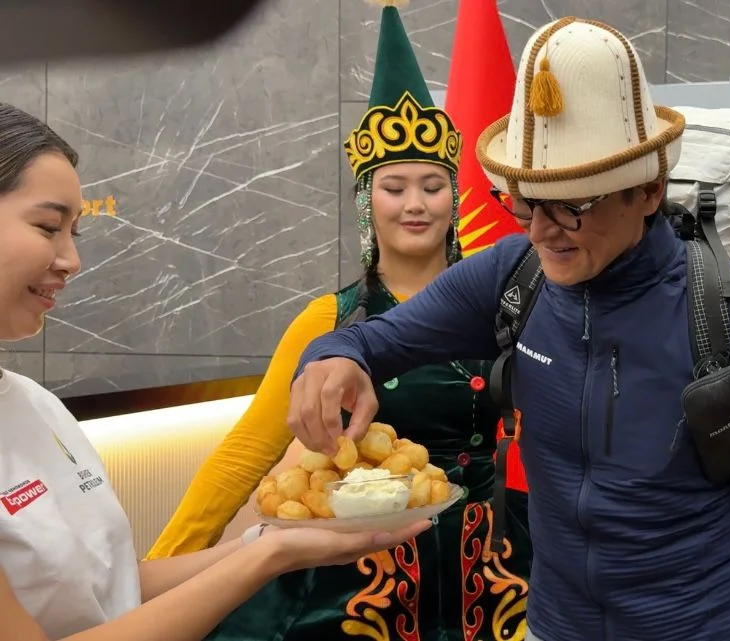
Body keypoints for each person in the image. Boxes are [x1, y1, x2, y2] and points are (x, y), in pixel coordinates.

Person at [284, 16, 730, 641]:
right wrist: (328, 363)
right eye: (524, 202)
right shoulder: (512, 277)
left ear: (649, 191)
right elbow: (364, 341)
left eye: (573, 204)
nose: (540, 231)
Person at [146, 5, 532, 640]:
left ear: (455, 198)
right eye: (395, 187)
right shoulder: (332, 321)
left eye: (433, 186)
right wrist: (158, 577)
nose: (415, 204)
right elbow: (245, 455)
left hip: (486, 564)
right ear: (365, 200)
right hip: (363, 577)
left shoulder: (504, 303)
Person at [0, 102, 427, 641]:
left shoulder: (36, 404)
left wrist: (267, 541)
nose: (71, 261)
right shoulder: (330, 317)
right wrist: (267, 556)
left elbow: (111, 590)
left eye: (74, 234)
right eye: (47, 227)